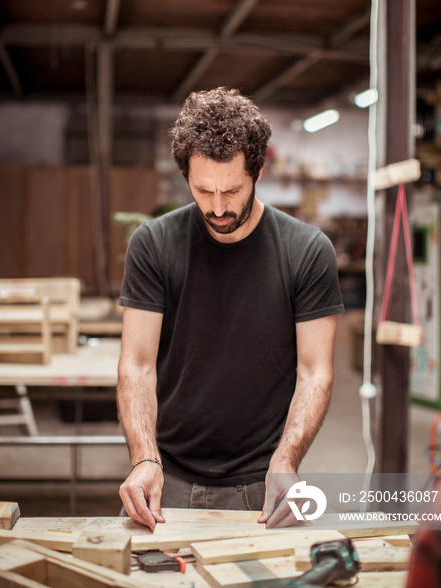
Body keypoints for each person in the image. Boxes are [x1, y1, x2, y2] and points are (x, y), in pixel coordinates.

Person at [117, 87, 344, 530]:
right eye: (204, 190)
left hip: (263, 483)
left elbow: (315, 372)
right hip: (169, 476)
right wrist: (144, 457)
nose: (218, 207)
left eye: (232, 190)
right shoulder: (153, 244)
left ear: (258, 171)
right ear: (186, 176)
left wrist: (286, 459)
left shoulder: (306, 251)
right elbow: (137, 364)